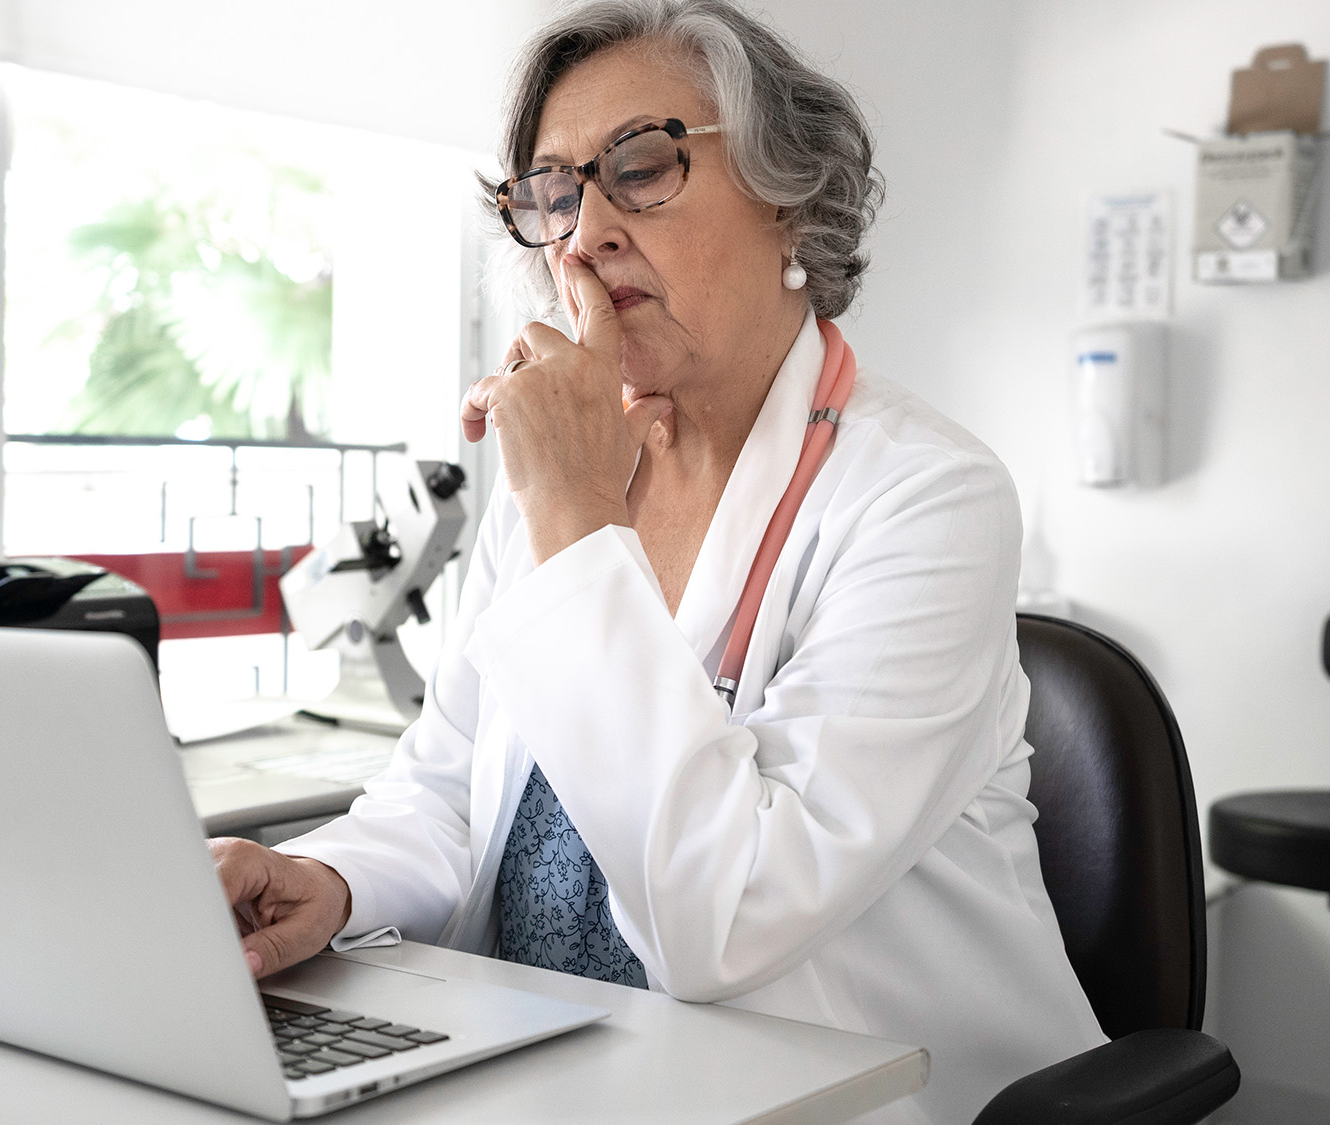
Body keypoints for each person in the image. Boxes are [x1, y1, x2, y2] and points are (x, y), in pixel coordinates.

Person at [208, 1, 1106, 1119]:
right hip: (566, 1079)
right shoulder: (558, 483)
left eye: (637, 168)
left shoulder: (924, 499)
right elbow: (447, 789)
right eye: (549, 196)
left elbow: (727, 923)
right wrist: (327, 881)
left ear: (794, 197)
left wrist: (576, 513)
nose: (581, 235)